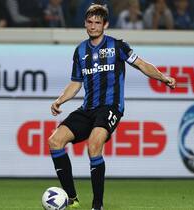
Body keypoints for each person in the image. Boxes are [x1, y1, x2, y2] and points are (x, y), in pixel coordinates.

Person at [48, 4, 176, 210]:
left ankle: (97, 205)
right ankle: (71, 199)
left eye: (97, 22)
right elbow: (75, 83)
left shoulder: (118, 46)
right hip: (87, 108)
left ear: (105, 24)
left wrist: (163, 77)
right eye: (89, 22)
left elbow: (142, 64)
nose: (93, 26)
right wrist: (59, 100)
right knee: (55, 141)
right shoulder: (80, 50)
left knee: (94, 144)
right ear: (85, 23)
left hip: (110, 107)